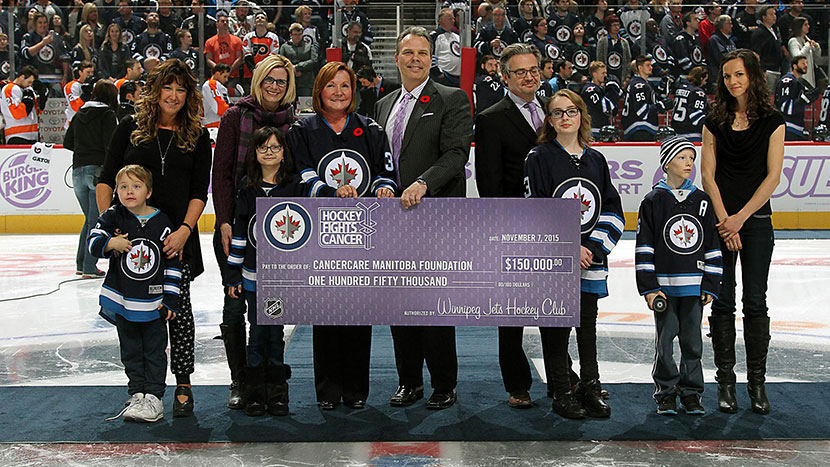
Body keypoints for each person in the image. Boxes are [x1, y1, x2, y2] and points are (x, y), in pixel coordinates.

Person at [98, 59, 212, 418]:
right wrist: (110, 223)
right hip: (132, 244)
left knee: (178, 313)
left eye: (181, 89)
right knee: (133, 316)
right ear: (156, 89)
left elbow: (199, 191)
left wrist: (184, 230)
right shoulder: (129, 127)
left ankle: (182, 382)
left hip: (175, 241)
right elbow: (105, 179)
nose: (174, 96)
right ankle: (140, 389)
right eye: (168, 87)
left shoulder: (197, 135)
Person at [287, 61, 397, 410]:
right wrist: (329, 193)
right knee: (327, 311)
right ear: (319, 91)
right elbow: (301, 173)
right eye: (331, 85)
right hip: (320, 235)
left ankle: (356, 390)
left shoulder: (370, 129)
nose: (338, 92)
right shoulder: (302, 130)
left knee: (357, 312)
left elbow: (385, 172)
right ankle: (327, 390)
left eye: (345, 86)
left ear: (354, 91)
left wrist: (382, 189)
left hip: (363, 234)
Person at [375, 26, 472, 410]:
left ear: (431, 58)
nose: (415, 58)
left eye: (422, 53)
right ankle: (409, 381)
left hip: (434, 216)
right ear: (396, 58)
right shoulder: (383, 104)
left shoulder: (451, 98)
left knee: (434, 304)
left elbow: (455, 154)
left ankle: (444, 384)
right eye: (408, 52)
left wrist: (421, 183)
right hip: (392, 219)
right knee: (399, 303)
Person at [524, 89, 622, 419]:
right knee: (555, 328)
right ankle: (562, 391)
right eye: (557, 113)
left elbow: (612, 211)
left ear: (581, 115)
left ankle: (591, 387)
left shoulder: (596, 159)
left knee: (587, 327)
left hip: (589, 262)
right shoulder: (538, 158)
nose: (565, 117)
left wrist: (592, 249)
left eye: (571, 111)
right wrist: (568, 247)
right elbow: (535, 211)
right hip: (554, 261)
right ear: (549, 120)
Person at [701, 49, 785, 416]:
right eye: (727, 76)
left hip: (756, 223)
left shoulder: (773, 121)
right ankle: (725, 383)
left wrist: (740, 219)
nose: (732, 82)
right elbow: (707, 174)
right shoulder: (713, 121)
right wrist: (725, 220)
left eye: (738, 75)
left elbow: (773, 177)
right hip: (721, 223)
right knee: (722, 302)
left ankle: (757, 383)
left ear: (752, 76)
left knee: (754, 302)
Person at [212, 54, 298, 410]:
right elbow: (222, 172)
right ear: (258, 80)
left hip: (278, 237)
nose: (275, 87)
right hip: (238, 224)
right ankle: (241, 381)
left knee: (273, 318)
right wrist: (225, 218)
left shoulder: (293, 122)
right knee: (236, 309)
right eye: (269, 80)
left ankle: (273, 386)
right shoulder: (236, 116)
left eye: (281, 81)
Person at [474, 43, 549, 409]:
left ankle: (562, 376)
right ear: (504, 77)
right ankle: (517, 383)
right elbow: (488, 183)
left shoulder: (554, 110)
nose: (530, 76)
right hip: (513, 228)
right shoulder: (491, 118)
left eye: (534, 69)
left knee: (557, 308)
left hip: (555, 227)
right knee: (513, 310)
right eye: (520, 72)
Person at [636, 136, 722, 416]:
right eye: (683, 157)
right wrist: (649, 287)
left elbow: (711, 244)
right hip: (665, 289)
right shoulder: (653, 201)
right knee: (665, 343)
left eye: (692, 158)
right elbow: (645, 247)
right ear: (666, 162)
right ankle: (666, 392)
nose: (689, 163)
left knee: (692, 342)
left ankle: (692, 392)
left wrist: (711, 283)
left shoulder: (702, 201)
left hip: (694, 290)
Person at [89, 165, 181, 423]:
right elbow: (92, 241)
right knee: (130, 349)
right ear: (116, 191)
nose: (129, 191)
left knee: (154, 349)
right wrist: (110, 242)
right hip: (122, 299)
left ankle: (154, 397)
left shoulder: (162, 222)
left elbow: (172, 263)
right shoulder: (112, 217)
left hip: (153, 302)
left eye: (136, 186)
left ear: (149, 191)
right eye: (123, 187)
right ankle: (137, 393)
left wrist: (171, 299)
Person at [226, 127, 302, 416]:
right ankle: (255, 393)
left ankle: (278, 394)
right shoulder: (247, 188)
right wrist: (233, 275)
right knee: (257, 333)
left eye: (275, 147)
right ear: (254, 154)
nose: (269, 152)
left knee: (275, 335)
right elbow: (240, 234)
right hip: (254, 277)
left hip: (282, 277)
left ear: (284, 153)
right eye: (263, 148)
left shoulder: (294, 186)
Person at [64, 79, 118, 279]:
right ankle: (89, 266)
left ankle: (81, 263)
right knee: (95, 221)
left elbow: (67, 142)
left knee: (90, 220)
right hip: (98, 171)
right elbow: (111, 144)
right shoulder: (108, 114)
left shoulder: (79, 114)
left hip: (77, 170)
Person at [621, 55, 671, 141]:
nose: (651, 67)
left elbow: (654, 99)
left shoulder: (645, 83)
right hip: (639, 129)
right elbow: (642, 111)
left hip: (641, 129)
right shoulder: (639, 85)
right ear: (640, 68)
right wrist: (661, 105)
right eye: (648, 65)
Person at [775, 55, 820, 141]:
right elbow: (785, 107)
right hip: (789, 129)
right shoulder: (787, 81)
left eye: (806, 63)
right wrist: (804, 99)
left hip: (797, 130)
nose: (806, 65)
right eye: (803, 63)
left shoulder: (799, 83)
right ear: (794, 66)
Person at [205, 12, 243, 93]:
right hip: (217, 77)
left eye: (227, 21)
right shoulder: (209, 42)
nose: (225, 23)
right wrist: (220, 71)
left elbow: (239, 58)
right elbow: (208, 60)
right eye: (222, 21)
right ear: (217, 24)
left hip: (233, 76)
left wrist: (228, 71)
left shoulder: (237, 40)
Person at [1, 66, 40, 144]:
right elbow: (18, 113)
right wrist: (27, 100)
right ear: (22, 77)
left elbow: (36, 111)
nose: (30, 84)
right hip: (17, 136)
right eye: (29, 82)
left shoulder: (28, 89)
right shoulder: (10, 89)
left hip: (33, 135)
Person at [581, 60, 621, 136]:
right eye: (603, 73)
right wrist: (612, 89)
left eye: (606, 73)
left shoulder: (600, 89)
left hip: (600, 129)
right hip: (593, 130)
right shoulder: (590, 90)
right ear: (594, 74)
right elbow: (605, 107)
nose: (605, 75)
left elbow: (613, 110)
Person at [280, 22, 319, 96]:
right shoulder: (284, 47)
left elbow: (314, 61)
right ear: (290, 35)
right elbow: (281, 62)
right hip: (289, 82)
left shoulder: (309, 45)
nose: (298, 36)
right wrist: (292, 70)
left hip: (306, 82)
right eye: (295, 34)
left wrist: (297, 67)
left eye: (300, 34)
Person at [242, 12, 280, 88]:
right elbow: (247, 55)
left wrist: (262, 69)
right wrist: (253, 70)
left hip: (267, 73)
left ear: (266, 22)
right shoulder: (248, 37)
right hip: (250, 74)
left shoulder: (273, 37)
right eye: (257, 18)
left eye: (262, 18)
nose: (260, 19)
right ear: (254, 23)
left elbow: (272, 56)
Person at [751, 6, 784, 92]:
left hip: (777, 69)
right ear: (763, 17)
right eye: (771, 14)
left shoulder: (774, 30)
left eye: (775, 14)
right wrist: (762, 71)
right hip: (767, 71)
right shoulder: (759, 33)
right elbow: (756, 53)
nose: (774, 16)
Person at [671, 66, 709, 142]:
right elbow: (696, 116)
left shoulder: (680, 88)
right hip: (692, 134)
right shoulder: (698, 92)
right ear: (701, 78)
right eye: (705, 80)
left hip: (677, 133)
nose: (705, 82)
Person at [430, 8, 461, 87]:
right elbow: (430, 55)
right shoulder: (434, 36)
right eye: (450, 19)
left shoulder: (457, 36)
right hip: (444, 78)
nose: (453, 21)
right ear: (441, 21)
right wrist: (437, 73)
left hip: (458, 78)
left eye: (453, 19)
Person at [787, 17, 821, 88]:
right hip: (799, 75)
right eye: (805, 25)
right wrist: (807, 46)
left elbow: (817, 58)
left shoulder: (807, 40)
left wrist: (817, 47)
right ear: (799, 26)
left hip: (809, 74)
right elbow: (796, 56)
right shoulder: (793, 41)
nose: (808, 26)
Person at [596, 15, 631, 84]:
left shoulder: (624, 42)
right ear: (608, 26)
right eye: (614, 25)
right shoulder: (602, 42)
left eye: (618, 25)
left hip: (621, 75)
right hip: (607, 75)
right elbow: (599, 60)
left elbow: (628, 60)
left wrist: (627, 77)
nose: (616, 27)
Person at [673, 12, 706, 79]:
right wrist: (696, 73)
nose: (698, 21)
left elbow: (701, 58)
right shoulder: (681, 39)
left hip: (697, 77)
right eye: (695, 19)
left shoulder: (696, 38)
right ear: (688, 23)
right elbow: (683, 62)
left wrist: (703, 71)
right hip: (685, 77)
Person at [63, 60, 95, 129]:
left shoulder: (95, 86)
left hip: (90, 123)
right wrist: (85, 95)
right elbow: (74, 106)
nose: (90, 75)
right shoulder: (71, 86)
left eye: (92, 72)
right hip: (74, 124)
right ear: (80, 72)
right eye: (88, 72)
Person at [706, 15, 736, 84]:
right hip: (718, 76)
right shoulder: (715, 39)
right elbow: (721, 57)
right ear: (723, 25)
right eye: (729, 23)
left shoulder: (730, 40)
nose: (732, 26)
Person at [202, 63, 230, 129]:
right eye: (224, 76)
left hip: (218, 123)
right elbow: (219, 109)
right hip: (214, 125)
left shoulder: (221, 87)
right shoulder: (211, 84)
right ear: (217, 74)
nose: (226, 80)